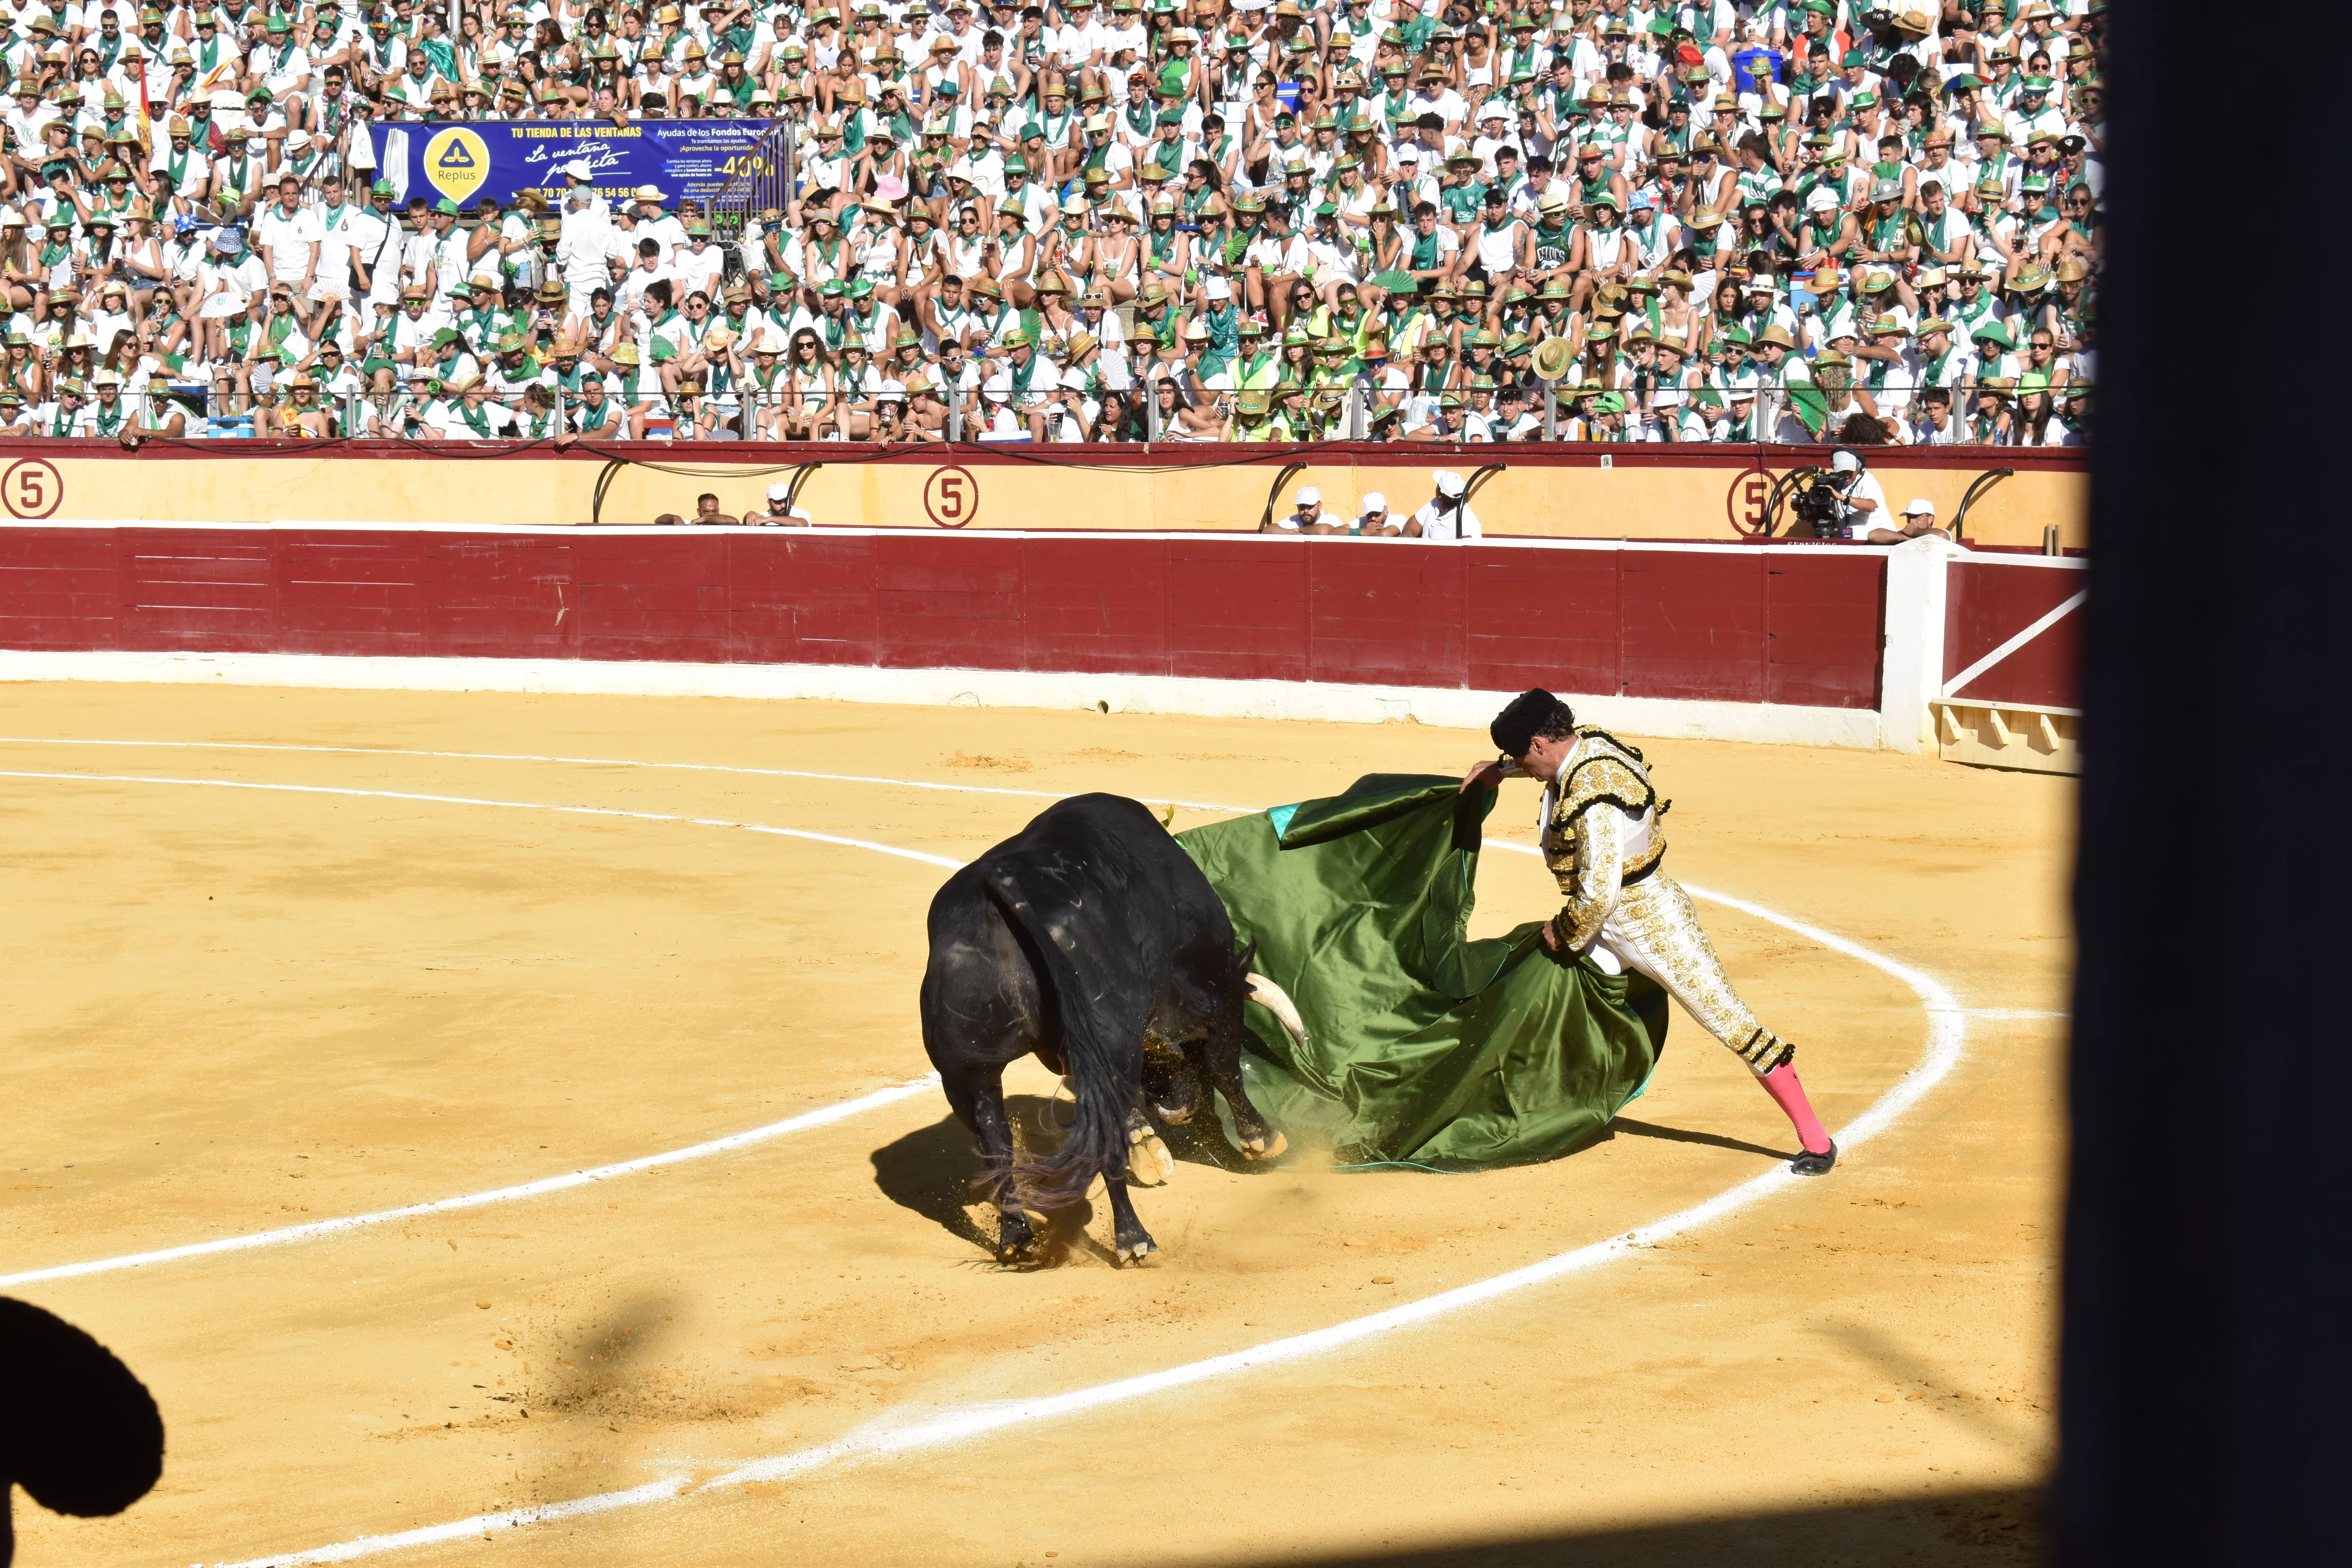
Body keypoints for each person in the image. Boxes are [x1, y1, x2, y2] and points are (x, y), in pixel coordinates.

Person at [1462, 689, 1837, 1175]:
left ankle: (1817, 1140)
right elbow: (1554, 769)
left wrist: (1564, 929)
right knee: (1545, 995)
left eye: (1521, 756)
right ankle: (1553, 1106)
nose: (1522, 765)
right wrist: (1503, 769)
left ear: (1538, 743)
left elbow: (1598, 892)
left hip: (1649, 924)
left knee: (1729, 1021)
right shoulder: (1588, 743)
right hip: (1612, 922)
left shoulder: (1594, 795)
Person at [1406, 469, 1483, 541]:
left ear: (1440, 496)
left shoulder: (1467, 520)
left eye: (1438, 486)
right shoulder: (1435, 504)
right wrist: (1408, 534)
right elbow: (1417, 522)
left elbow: (1470, 550)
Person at [1855, 496, 1950, 544]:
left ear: (1930, 519)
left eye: (1917, 517)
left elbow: (1942, 536)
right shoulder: (1903, 534)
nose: (1912, 521)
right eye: (1909, 517)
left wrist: (1914, 532)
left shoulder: (1941, 533)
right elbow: (1873, 535)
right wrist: (1904, 537)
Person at [1265, 483, 1337, 534]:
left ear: (1320, 507)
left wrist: (1299, 531)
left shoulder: (1332, 520)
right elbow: (1267, 530)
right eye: (1302, 506)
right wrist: (1291, 533)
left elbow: (1322, 531)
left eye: (1310, 506)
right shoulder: (1294, 521)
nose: (1306, 511)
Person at [745, 481, 814, 526]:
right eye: (778, 502)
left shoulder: (800, 514)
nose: (783, 505)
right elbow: (749, 521)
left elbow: (802, 524)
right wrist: (750, 514)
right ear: (769, 503)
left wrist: (771, 519)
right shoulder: (765, 516)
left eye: (786, 501)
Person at [653, 492, 740, 526]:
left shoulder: (724, 525)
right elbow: (658, 520)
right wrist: (674, 518)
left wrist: (705, 518)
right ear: (699, 512)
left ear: (719, 510)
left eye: (714, 511)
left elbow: (734, 521)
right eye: (706, 512)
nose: (711, 515)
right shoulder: (692, 524)